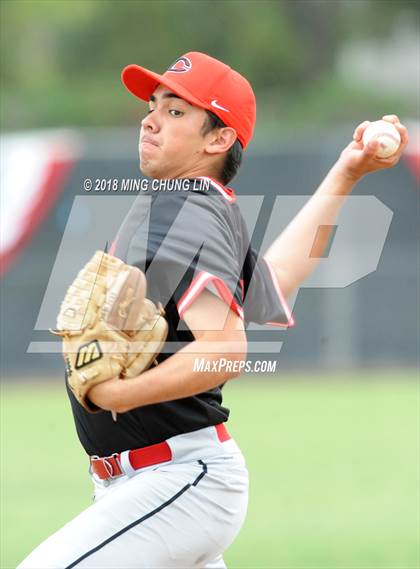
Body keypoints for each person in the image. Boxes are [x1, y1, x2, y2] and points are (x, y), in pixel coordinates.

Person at [18, 51, 408, 569]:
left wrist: (118, 392)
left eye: (176, 111)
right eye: (153, 105)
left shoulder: (182, 206)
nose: (150, 119)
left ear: (218, 138)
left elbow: (224, 350)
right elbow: (275, 282)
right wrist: (345, 173)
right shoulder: (203, 205)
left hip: (176, 483)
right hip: (163, 486)